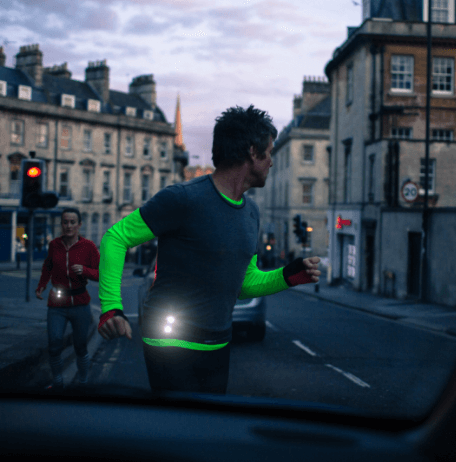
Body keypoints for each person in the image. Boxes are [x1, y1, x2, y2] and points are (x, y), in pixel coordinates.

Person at [97, 105, 320, 395]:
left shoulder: (251, 213)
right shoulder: (183, 199)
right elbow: (115, 238)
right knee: (180, 430)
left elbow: (243, 284)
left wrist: (288, 276)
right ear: (252, 153)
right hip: (170, 343)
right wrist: (111, 308)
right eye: (268, 153)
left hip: (218, 343)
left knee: (208, 427)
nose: (271, 162)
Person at [36, 207, 100, 390]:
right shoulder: (54, 245)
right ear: (61, 224)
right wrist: (41, 286)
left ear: (79, 225)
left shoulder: (88, 247)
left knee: (80, 346)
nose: (68, 226)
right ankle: (57, 382)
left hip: (80, 303)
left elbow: (101, 274)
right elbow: (47, 267)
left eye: (73, 222)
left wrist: (85, 271)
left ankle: (83, 382)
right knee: (54, 343)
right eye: (65, 222)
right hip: (56, 304)